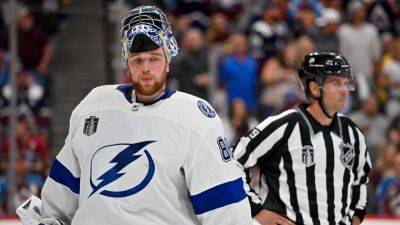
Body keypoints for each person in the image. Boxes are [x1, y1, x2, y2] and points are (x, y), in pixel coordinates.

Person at [16, 5, 252, 225]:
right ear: (127, 64)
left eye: (154, 58)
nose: (146, 67)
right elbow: (62, 189)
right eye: (137, 60)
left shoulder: (195, 117)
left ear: (168, 61)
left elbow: (225, 205)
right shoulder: (94, 106)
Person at [234, 52, 372, 225]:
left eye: (346, 83)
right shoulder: (284, 125)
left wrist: (355, 218)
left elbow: (361, 180)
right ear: (314, 88)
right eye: (336, 83)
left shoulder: (353, 132)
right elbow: (234, 161)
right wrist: (256, 209)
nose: (345, 90)